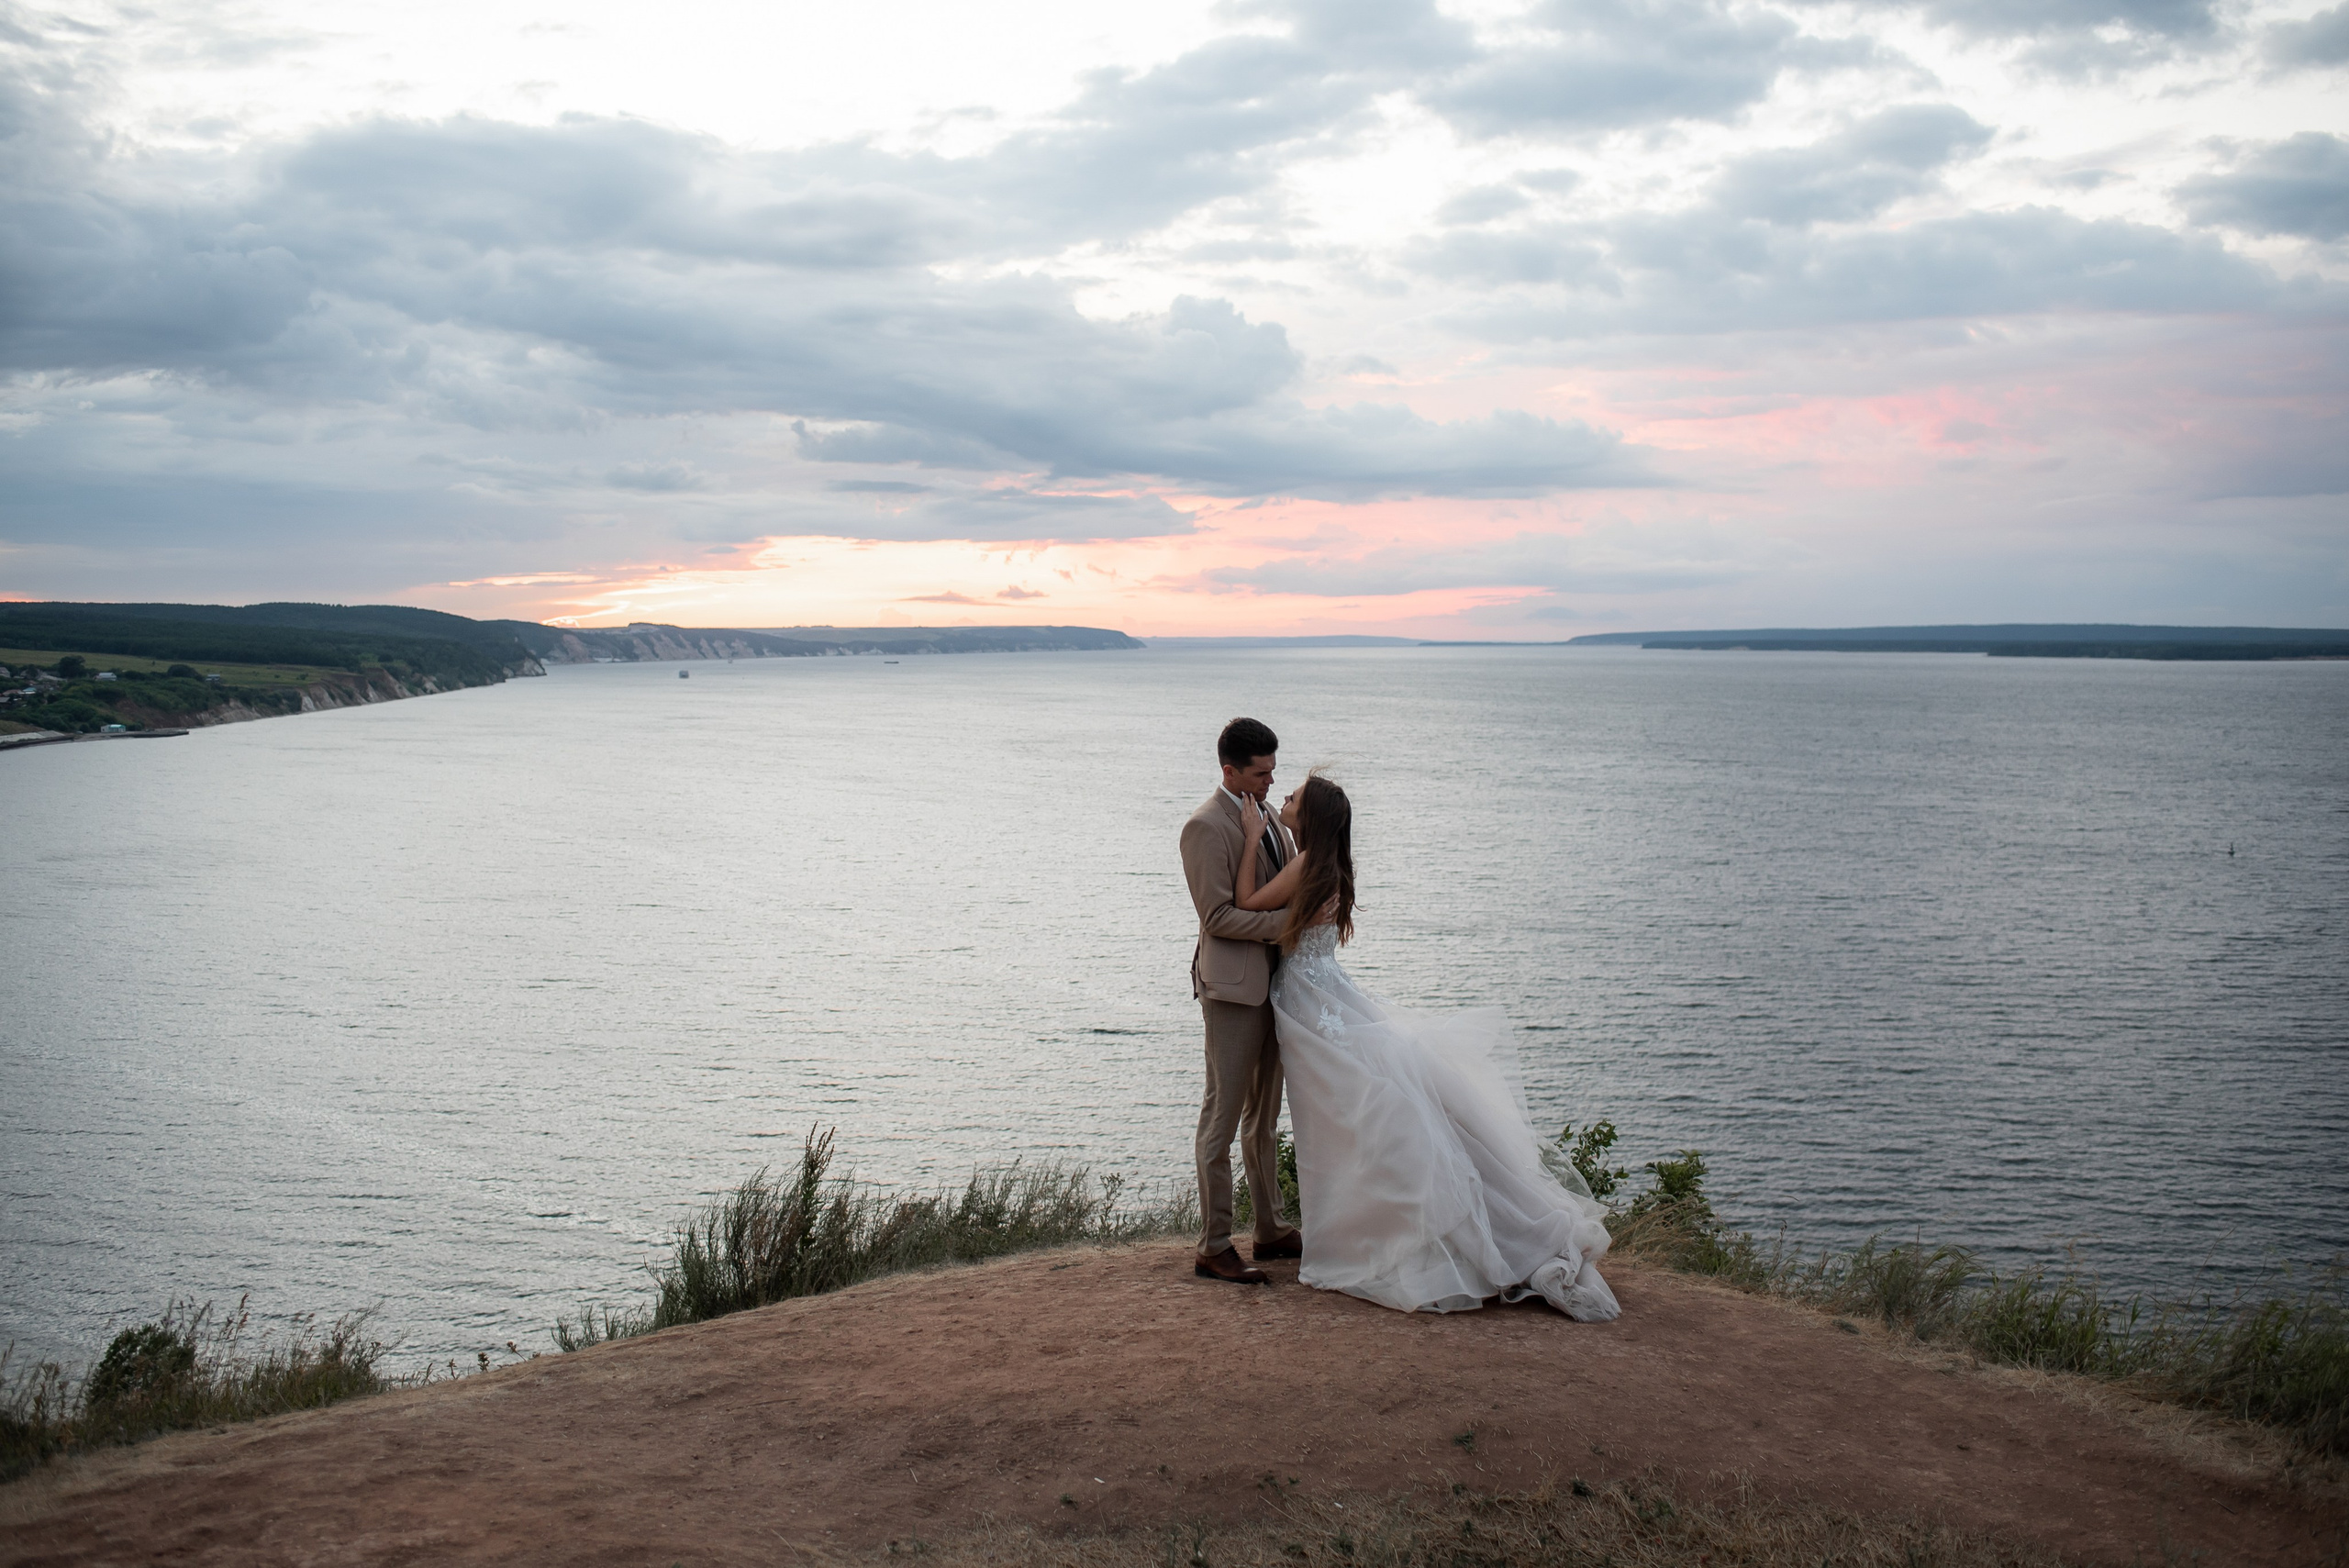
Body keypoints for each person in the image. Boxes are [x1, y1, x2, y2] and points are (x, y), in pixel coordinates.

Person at [1230, 773, 1621, 1321]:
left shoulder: (1305, 863)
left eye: (1293, 797)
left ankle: (1369, 1241)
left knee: (1340, 1124)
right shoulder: (1328, 863)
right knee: (1356, 1118)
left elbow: (1245, 901)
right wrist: (1274, 823)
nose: (1284, 799)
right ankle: (1368, 1234)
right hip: (1328, 997)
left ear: (1312, 818)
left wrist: (1250, 836)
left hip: (1311, 1006)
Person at [1176, 717, 1307, 1284]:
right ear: (1229, 770)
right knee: (1222, 1118)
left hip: (1278, 988)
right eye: (1260, 774)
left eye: (1274, 772)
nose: (1270, 784)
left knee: (1265, 1117)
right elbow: (1218, 917)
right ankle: (1213, 1245)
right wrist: (1292, 925)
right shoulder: (1205, 827)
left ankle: (1272, 1230)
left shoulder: (1271, 817)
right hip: (1233, 991)